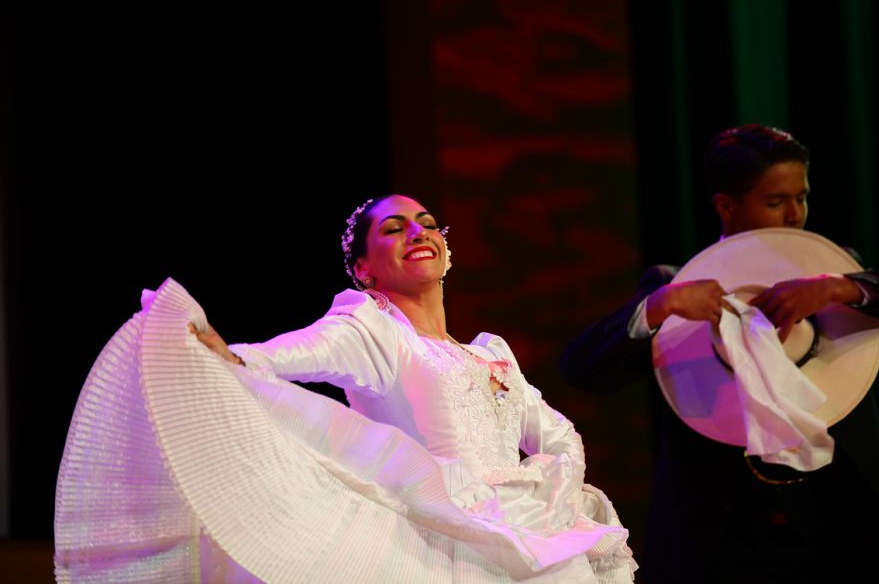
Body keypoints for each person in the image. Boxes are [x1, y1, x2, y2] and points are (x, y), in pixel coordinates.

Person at [55, 194, 636, 583]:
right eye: (394, 227)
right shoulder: (372, 328)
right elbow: (285, 357)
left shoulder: (492, 353)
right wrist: (227, 355)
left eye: (428, 224)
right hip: (445, 538)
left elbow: (557, 433)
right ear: (363, 268)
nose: (418, 232)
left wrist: (555, 499)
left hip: (533, 527)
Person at [560, 125, 879, 583]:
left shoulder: (833, 270)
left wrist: (845, 286)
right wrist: (659, 307)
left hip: (839, 532)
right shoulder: (676, 283)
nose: (796, 214)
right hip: (720, 541)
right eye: (776, 201)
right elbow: (581, 369)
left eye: (803, 196)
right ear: (726, 206)